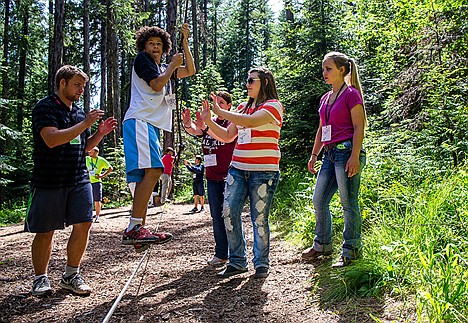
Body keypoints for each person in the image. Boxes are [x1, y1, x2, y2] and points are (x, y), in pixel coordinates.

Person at [25, 65, 117, 296]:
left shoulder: (78, 113)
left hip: (78, 178)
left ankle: (71, 274)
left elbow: (84, 147)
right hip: (49, 179)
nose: (81, 90)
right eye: (77, 84)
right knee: (46, 231)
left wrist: (99, 134)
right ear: (62, 83)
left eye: (84, 86)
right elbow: (52, 139)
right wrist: (86, 124)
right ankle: (40, 279)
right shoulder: (45, 107)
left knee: (84, 223)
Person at [200, 67, 284, 279]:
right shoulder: (241, 108)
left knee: (259, 218)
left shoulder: (273, 106)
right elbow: (227, 136)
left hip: (264, 172)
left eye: (251, 80)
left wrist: (220, 112)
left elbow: (252, 121)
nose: (247, 84)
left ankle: (261, 263)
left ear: (264, 82)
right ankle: (237, 261)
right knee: (228, 211)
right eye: (246, 80)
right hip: (237, 169)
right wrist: (208, 121)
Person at [122, 23, 195, 252]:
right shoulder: (143, 60)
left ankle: (138, 231)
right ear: (144, 46)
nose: (155, 47)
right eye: (151, 43)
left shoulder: (163, 66)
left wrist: (185, 41)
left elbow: (190, 70)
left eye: (159, 44)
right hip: (140, 121)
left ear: (164, 48)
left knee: (147, 175)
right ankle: (135, 228)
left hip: (149, 125)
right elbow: (156, 85)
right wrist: (173, 65)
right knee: (154, 170)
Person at [301, 51, 367, 268]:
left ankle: (351, 251)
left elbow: (359, 126)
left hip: (346, 152)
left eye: (328, 69)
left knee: (348, 203)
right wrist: (314, 154)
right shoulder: (325, 98)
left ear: (341, 70)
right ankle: (322, 245)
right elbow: (322, 129)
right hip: (329, 154)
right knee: (319, 199)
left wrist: (355, 156)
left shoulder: (351, 94)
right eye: (323, 69)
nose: (324, 73)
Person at [182, 91, 236, 267]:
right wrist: (187, 124)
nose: (218, 106)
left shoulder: (231, 122)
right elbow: (195, 130)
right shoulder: (208, 122)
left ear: (229, 106)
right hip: (212, 177)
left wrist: (206, 125)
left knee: (230, 215)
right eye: (216, 103)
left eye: (222, 102)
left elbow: (226, 138)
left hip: (229, 176)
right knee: (216, 216)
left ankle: (236, 254)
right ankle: (221, 253)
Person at [86, 146, 113, 222]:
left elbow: (110, 168)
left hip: (97, 182)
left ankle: (97, 216)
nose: (89, 152)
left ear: (95, 151)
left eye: (90, 150)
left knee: (97, 200)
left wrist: (102, 175)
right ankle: (88, 216)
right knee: (87, 200)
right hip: (87, 182)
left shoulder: (101, 160)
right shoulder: (87, 159)